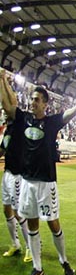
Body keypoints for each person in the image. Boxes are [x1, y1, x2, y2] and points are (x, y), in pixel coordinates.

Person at [0, 73, 76, 275]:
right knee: (32, 225)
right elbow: (8, 106)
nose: (33, 103)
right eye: (32, 99)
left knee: (53, 223)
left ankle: (64, 261)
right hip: (27, 182)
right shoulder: (23, 119)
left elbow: (75, 111)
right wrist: (2, 81)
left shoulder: (52, 122)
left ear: (46, 104)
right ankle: (38, 268)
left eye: (37, 100)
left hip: (46, 184)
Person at [0, 89, 31, 262]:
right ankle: (15, 244)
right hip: (7, 173)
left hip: (18, 175)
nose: (5, 112)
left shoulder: (20, 123)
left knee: (19, 213)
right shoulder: (9, 129)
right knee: (7, 210)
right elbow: (3, 149)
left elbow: (9, 104)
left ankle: (30, 246)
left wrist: (2, 81)